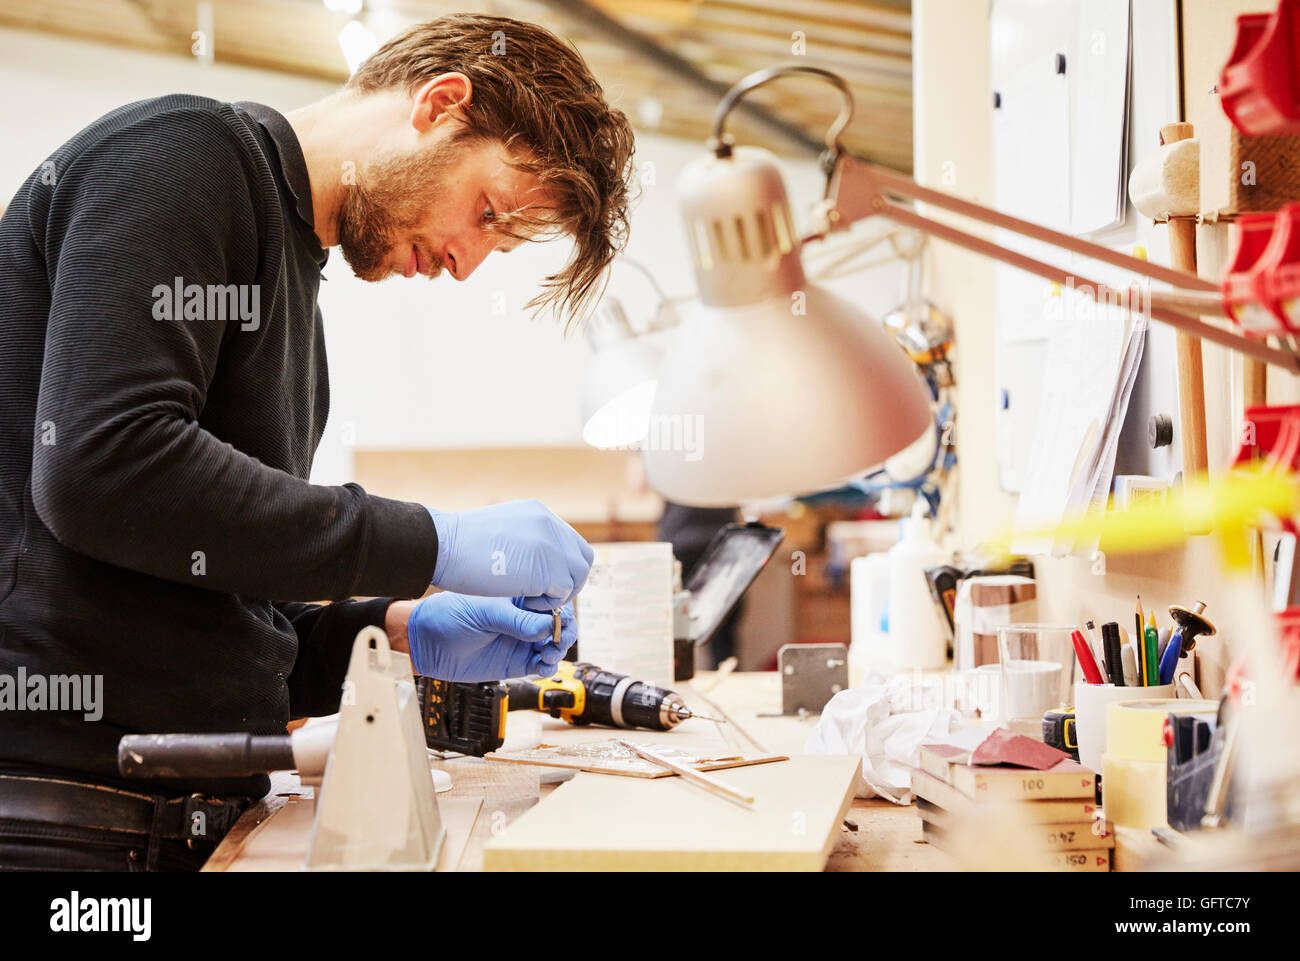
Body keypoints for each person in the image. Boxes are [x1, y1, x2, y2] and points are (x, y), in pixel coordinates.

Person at [0, 14, 635, 870]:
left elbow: (221, 602)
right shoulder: (182, 155)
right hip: (65, 818)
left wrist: (397, 629)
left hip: (192, 806)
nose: (467, 263)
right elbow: (103, 466)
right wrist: (432, 542)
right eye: (487, 212)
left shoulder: (297, 298)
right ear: (441, 102)